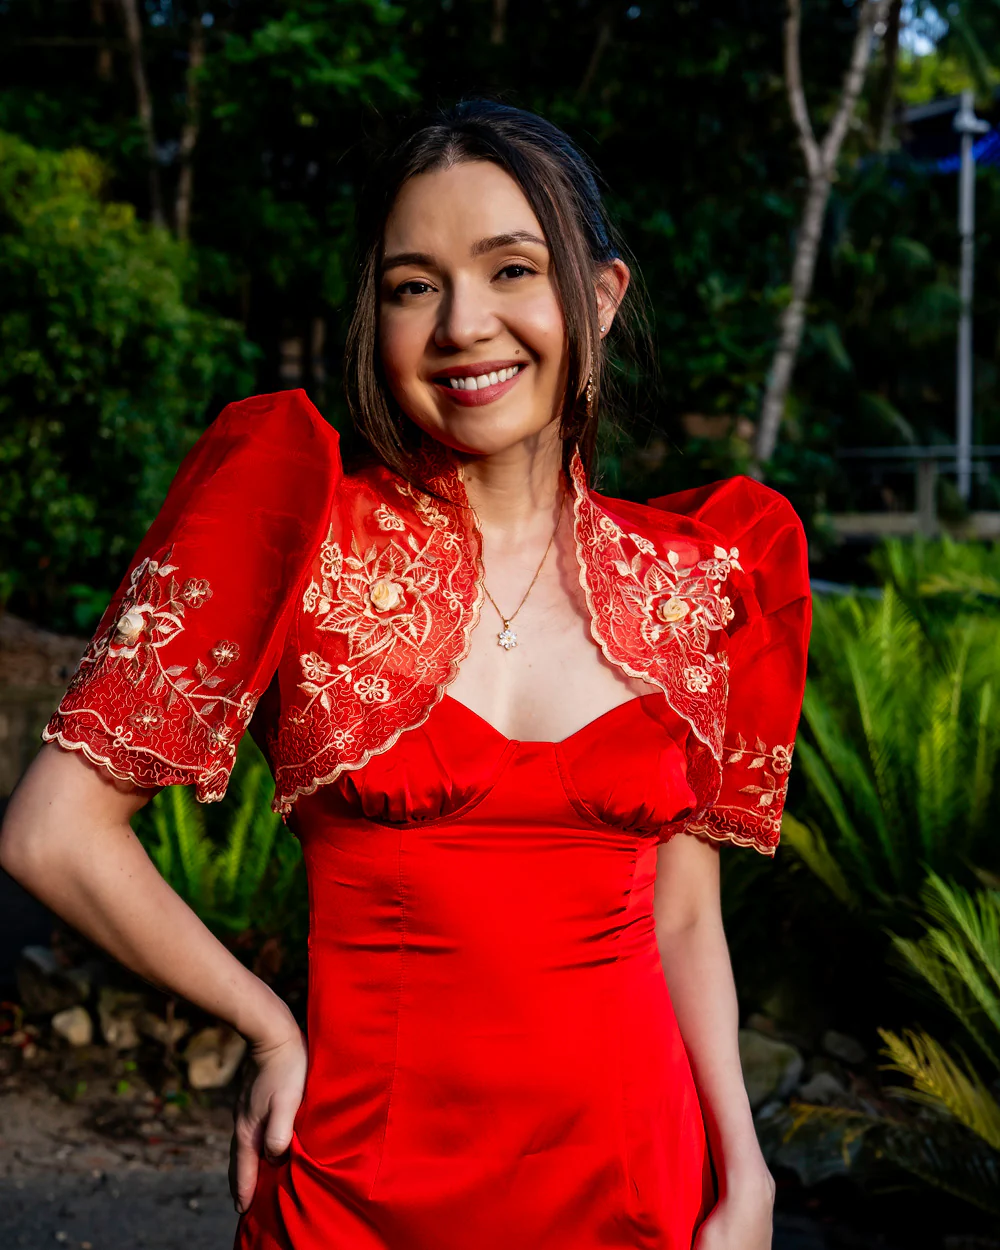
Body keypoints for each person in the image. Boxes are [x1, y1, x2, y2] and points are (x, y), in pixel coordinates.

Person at [0, 100, 811, 1250]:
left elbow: (683, 913)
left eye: (511, 269)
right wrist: (267, 1024)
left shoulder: (699, 578)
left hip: (641, 1182)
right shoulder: (291, 527)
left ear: (601, 296)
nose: (464, 325)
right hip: (356, 1194)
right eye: (412, 285)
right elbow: (53, 831)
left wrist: (746, 1168)